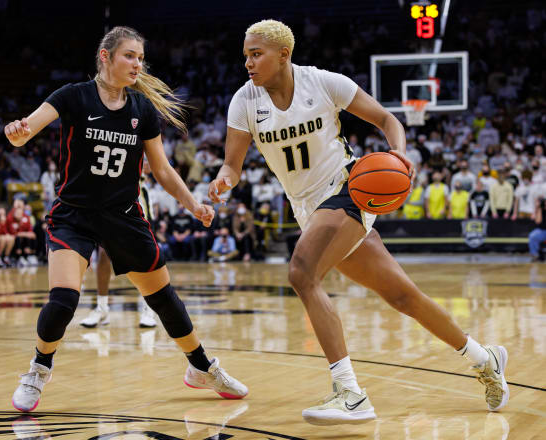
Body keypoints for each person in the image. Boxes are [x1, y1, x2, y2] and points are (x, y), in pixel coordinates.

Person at [209, 19, 508, 426]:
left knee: (301, 272)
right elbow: (233, 163)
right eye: (245, 54)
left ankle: (349, 392)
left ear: (284, 55)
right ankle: (483, 357)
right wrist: (224, 178)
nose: (248, 62)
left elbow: (388, 120)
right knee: (403, 297)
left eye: (255, 54)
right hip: (308, 209)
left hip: (349, 188)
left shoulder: (323, 83)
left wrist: (399, 154)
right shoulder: (244, 102)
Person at [4, 26, 247, 413]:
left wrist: (193, 204)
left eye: (140, 58)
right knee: (64, 299)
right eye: (129, 56)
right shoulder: (71, 96)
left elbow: (163, 171)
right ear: (106, 56)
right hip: (74, 215)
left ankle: (202, 368)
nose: (137, 64)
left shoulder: (142, 109)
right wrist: (16, 132)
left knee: (164, 300)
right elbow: (25, 131)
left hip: (125, 216)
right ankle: (38, 368)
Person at [81, 163, 157, 329]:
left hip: (135, 196)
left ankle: (148, 308)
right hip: (109, 197)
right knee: (103, 252)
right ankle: (102, 308)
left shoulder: (140, 137)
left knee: (143, 255)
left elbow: (152, 165)